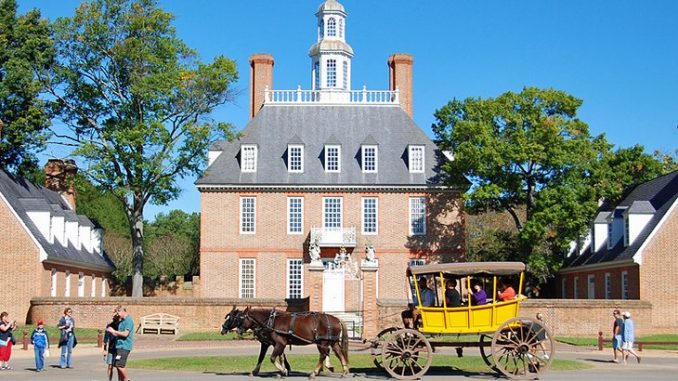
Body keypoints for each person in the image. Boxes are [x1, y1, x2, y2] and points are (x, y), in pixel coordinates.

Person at [106, 305, 134, 381]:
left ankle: (127, 379)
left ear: (122, 311)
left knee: (120, 365)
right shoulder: (121, 321)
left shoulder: (128, 320)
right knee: (116, 365)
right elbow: (117, 334)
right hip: (118, 346)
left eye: (118, 313)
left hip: (124, 346)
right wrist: (111, 331)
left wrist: (114, 331)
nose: (117, 315)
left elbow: (125, 334)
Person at [103, 311, 121, 381]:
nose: (114, 318)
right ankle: (109, 379)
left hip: (119, 348)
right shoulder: (109, 326)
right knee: (110, 366)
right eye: (113, 316)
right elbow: (105, 338)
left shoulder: (121, 326)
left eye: (116, 316)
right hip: (111, 348)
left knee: (119, 366)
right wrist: (104, 349)